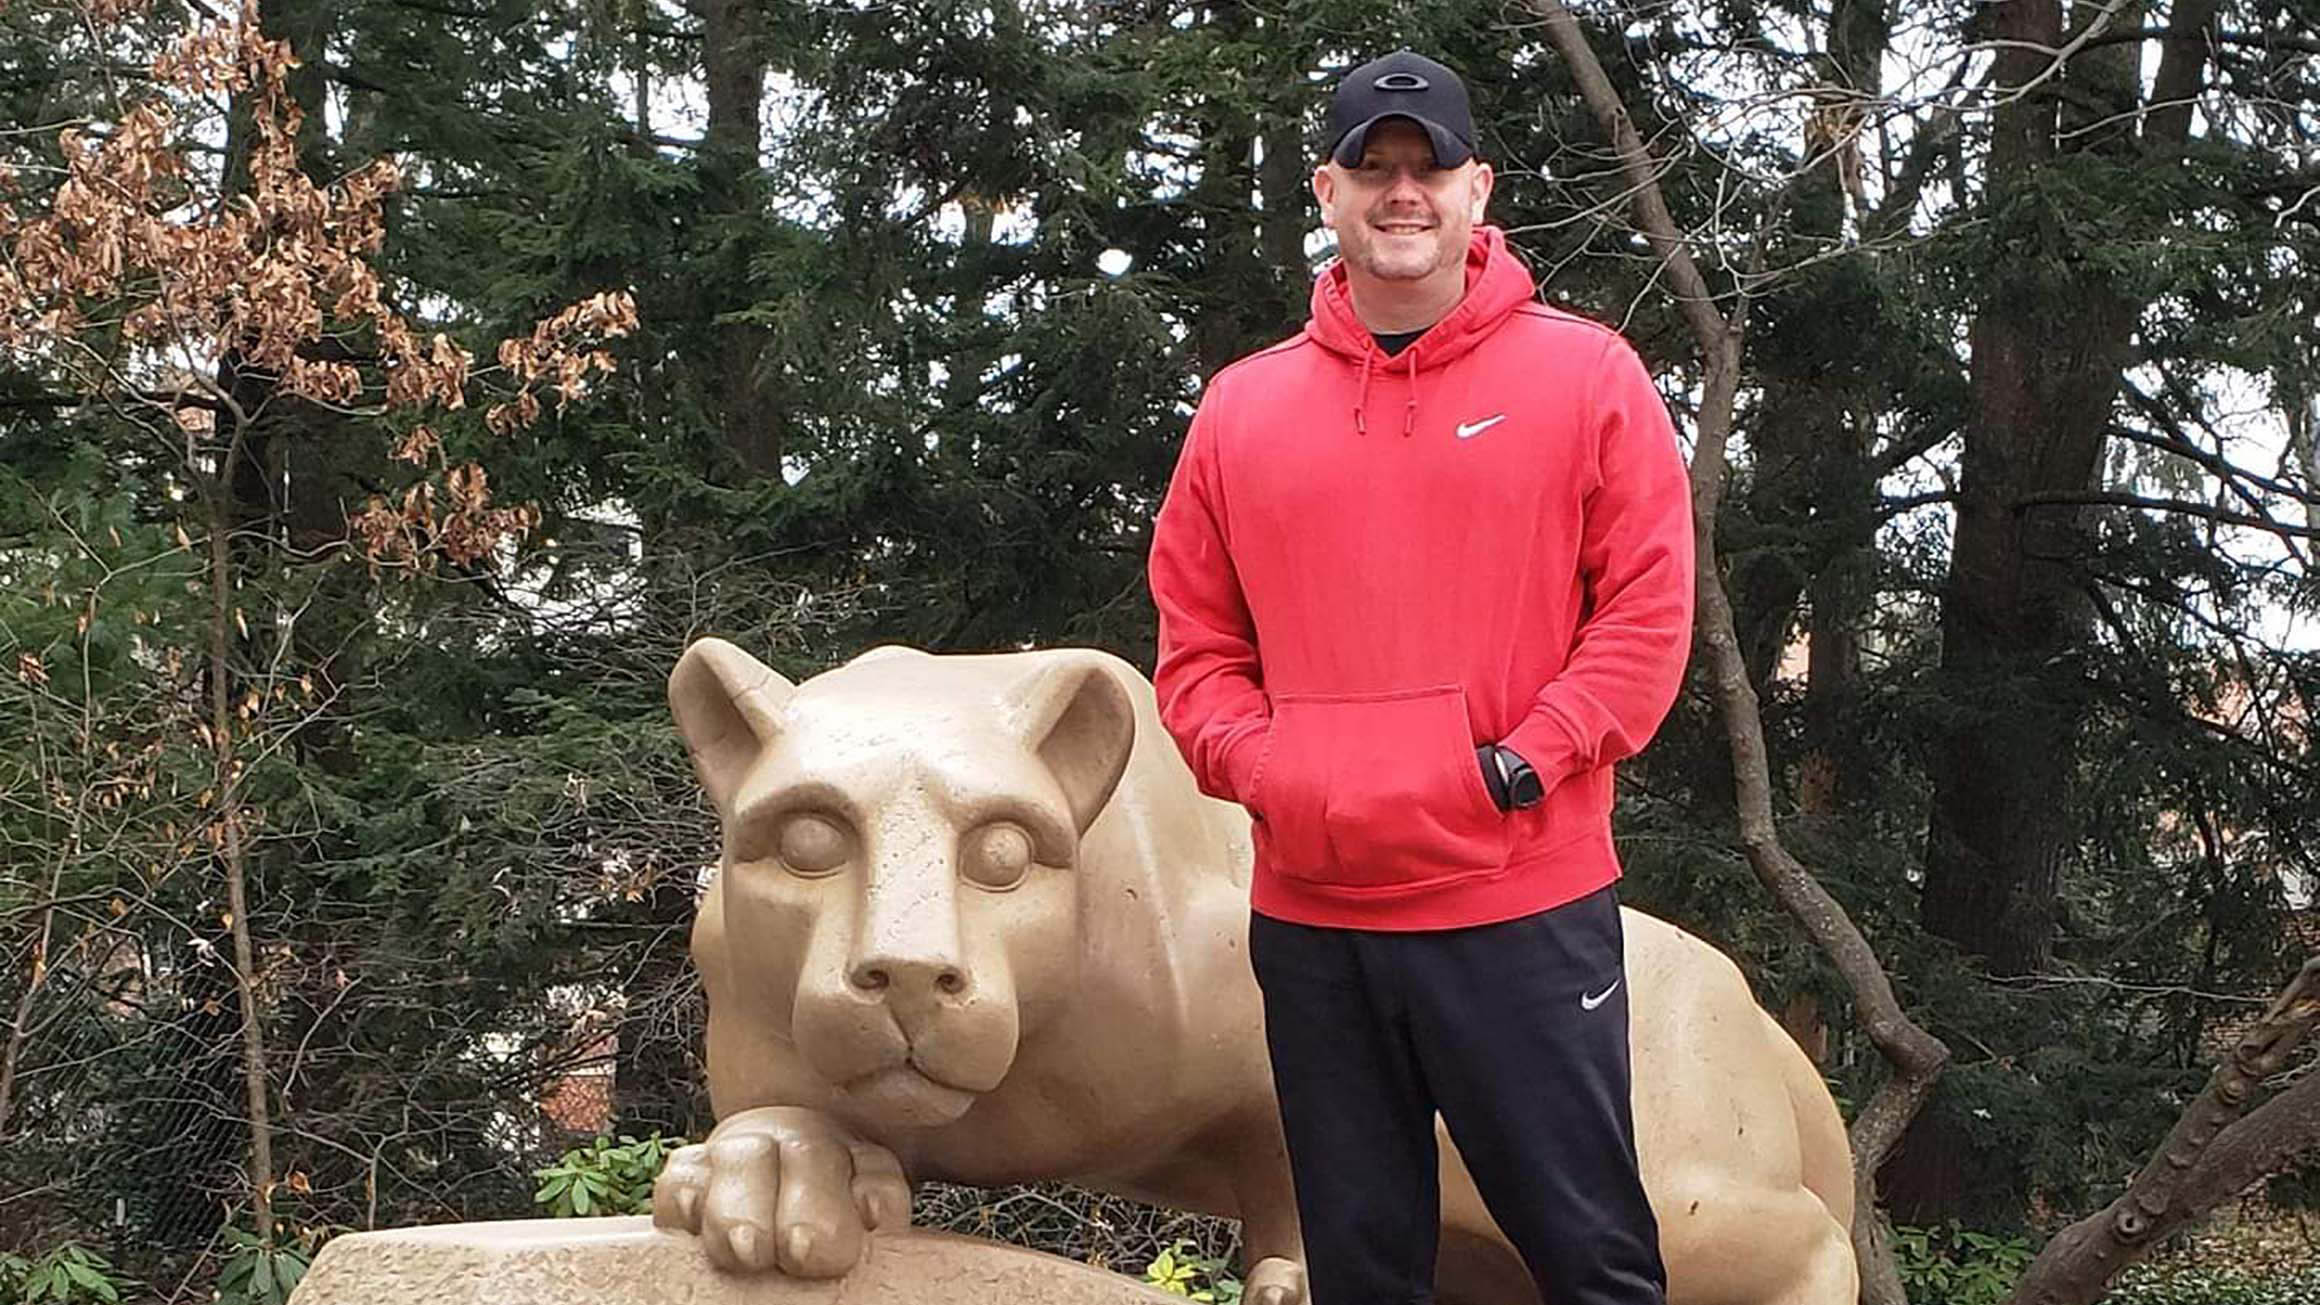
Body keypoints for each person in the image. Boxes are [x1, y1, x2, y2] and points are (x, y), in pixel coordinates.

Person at [1146, 50, 1695, 1305]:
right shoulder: (1241, 409)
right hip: (1315, 921)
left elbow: (1644, 618)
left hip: (1518, 904)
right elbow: (1196, 648)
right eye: (1373, 169)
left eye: (1429, 168)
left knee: (1593, 1262)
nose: (1404, 194)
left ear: (1476, 190)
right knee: (1360, 1270)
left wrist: (1518, 765)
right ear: (1326, 196)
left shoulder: (1587, 377)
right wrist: (1272, 770)